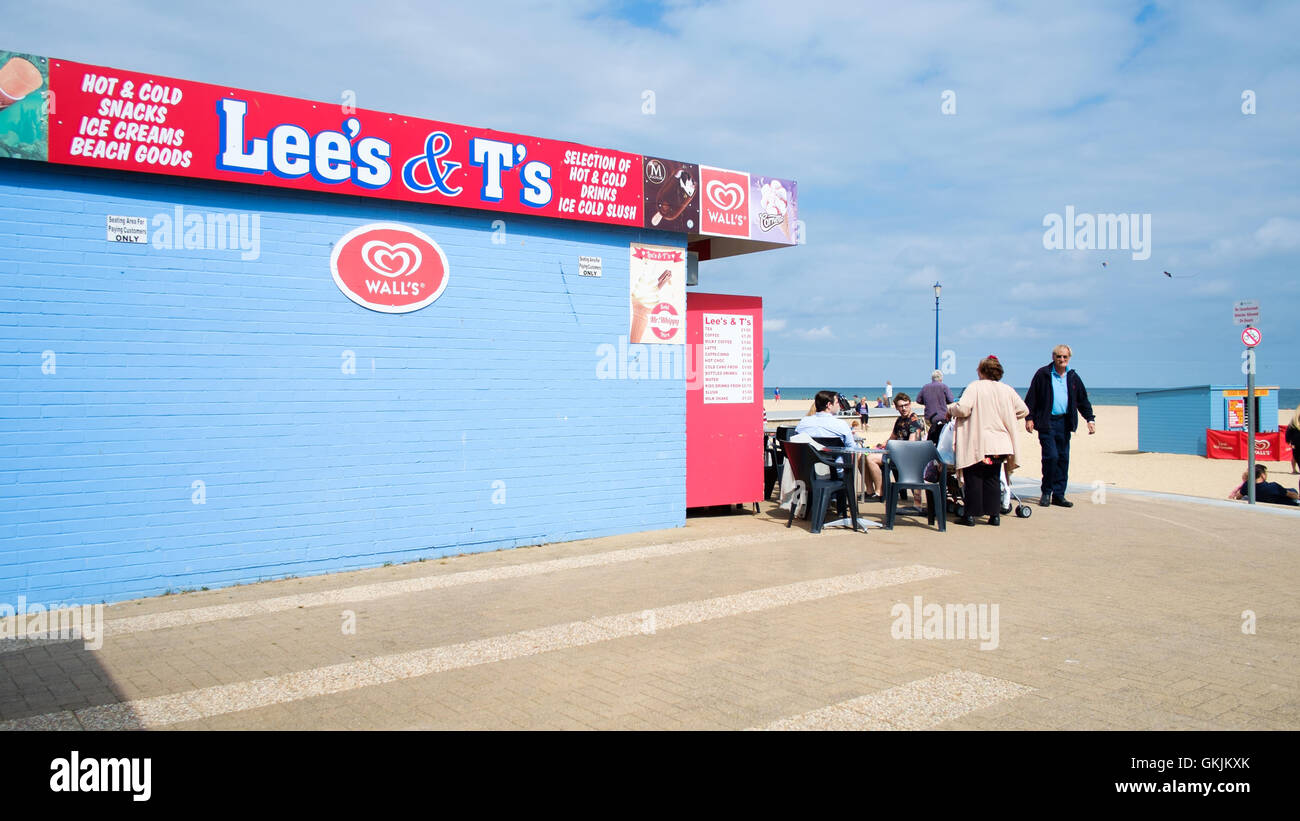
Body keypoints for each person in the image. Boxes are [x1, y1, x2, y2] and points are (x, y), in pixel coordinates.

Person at [947, 356, 1029, 526]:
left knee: (974, 477)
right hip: (1000, 443)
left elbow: (963, 408)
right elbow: (1023, 410)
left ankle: (970, 515)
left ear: (983, 370)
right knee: (992, 477)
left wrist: (950, 408)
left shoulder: (975, 387)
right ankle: (994, 515)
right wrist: (1007, 418)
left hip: (978, 442)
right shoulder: (1007, 390)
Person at [1024, 344, 1095, 508]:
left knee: (1063, 459)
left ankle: (1059, 494)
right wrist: (1029, 418)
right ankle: (1046, 492)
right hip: (1047, 422)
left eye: (1065, 357)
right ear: (1053, 357)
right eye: (1059, 357)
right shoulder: (1043, 374)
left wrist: (1090, 419)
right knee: (1051, 457)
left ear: (1069, 358)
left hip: (1065, 423)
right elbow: (1032, 397)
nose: (1062, 360)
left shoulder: (1073, 376)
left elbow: (1082, 400)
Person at [916, 370, 955, 444]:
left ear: (932, 378)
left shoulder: (925, 387)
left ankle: (930, 452)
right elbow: (951, 400)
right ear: (941, 379)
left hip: (929, 417)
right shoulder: (943, 386)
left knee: (929, 438)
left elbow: (918, 400)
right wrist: (942, 401)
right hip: (942, 416)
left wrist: (927, 402)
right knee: (942, 438)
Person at [1228, 465, 1299, 505]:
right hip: (1279, 502)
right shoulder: (1273, 486)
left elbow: (1238, 497)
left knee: (1246, 498)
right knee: (1292, 490)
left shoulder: (1247, 485)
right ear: (1262, 475)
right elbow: (1292, 495)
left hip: (1260, 499)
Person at [1286, 407, 1300, 474]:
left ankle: (1294, 469)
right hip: (1296, 442)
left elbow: (1288, 432)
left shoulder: (1294, 420)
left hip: (1295, 442)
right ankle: (1294, 469)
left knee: (1295, 456)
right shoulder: (1294, 421)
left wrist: (1289, 441)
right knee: (1294, 456)